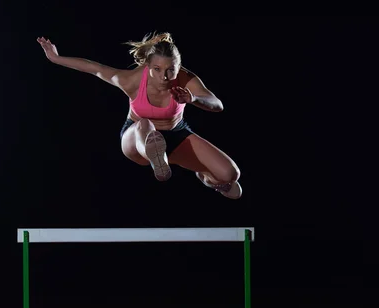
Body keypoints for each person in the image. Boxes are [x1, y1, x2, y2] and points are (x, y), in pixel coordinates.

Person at [36, 32, 242, 199]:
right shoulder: (132, 80)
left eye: (171, 70)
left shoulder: (186, 79)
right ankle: (155, 155)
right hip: (136, 138)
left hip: (176, 135)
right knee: (145, 125)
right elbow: (96, 69)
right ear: (147, 66)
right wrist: (55, 58)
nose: (164, 76)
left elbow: (217, 104)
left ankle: (206, 178)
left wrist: (194, 99)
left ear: (179, 67)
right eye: (157, 69)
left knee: (230, 175)